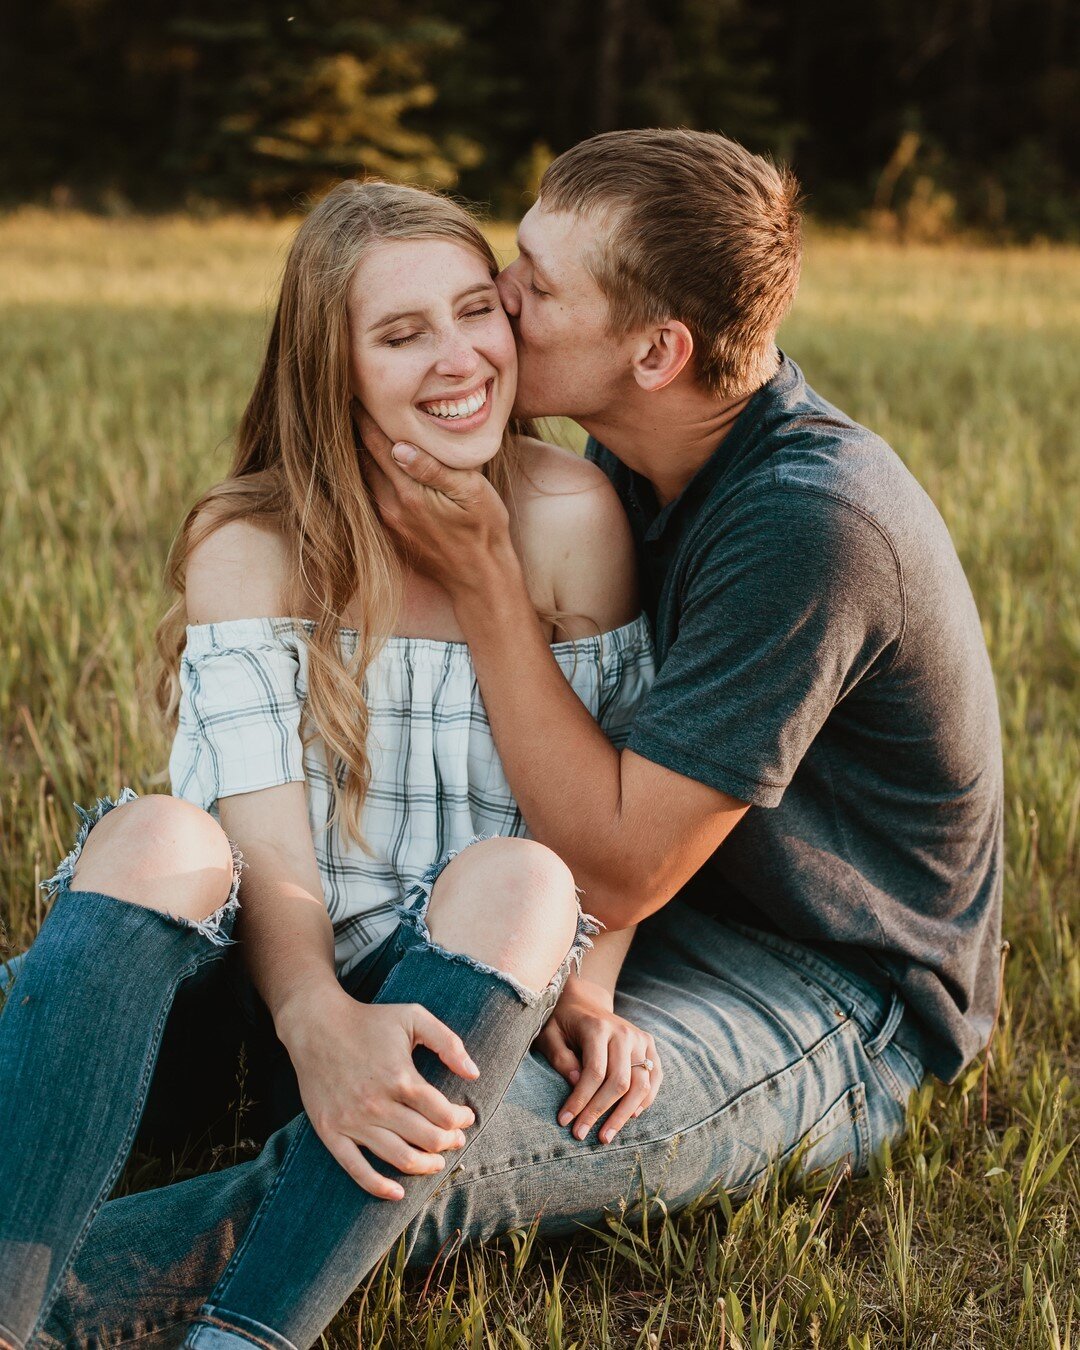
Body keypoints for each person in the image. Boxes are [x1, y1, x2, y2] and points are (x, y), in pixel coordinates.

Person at [7, 128, 1002, 1350]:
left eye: (524, 289)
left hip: (824, 986)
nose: (501, 315)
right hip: (634, 910)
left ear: (656, 351)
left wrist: (486, 591)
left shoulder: (812, 524)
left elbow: (617, 865)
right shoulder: (630, 462)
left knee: (437, 1153)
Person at [0, 180, 657, 1350]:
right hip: (246, 986)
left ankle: (245, 1336)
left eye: (475, 311)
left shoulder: (570, 516)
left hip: (435, 1017)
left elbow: (605, 795)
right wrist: (310, 1013)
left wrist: (594, 979)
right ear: (332, 367)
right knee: (160, 835)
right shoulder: (251, 541)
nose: (458, 358)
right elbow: (261, 844)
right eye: (402, 335)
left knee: (527, 879)